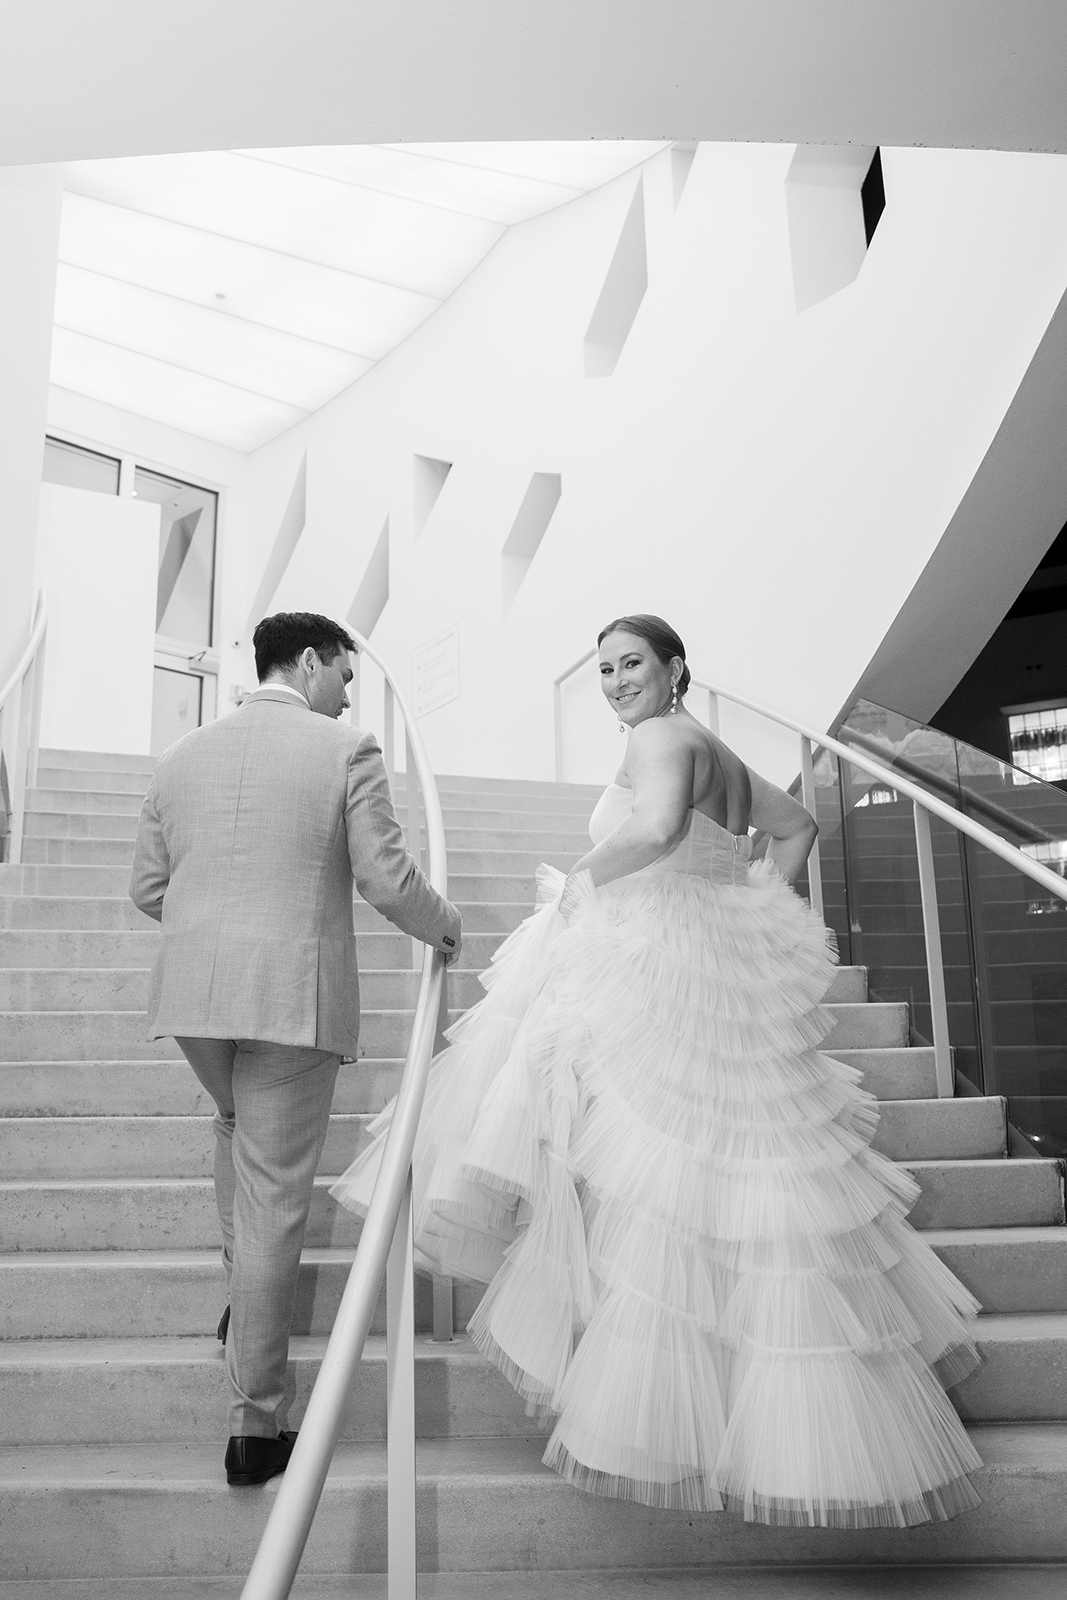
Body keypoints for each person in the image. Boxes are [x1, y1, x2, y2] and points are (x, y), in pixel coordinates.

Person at [332, 613, 982, 1526]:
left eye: (630, 663)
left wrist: (579, 880)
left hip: (653, 958)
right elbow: (794, 828)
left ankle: (668, 1414)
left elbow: (656, 826)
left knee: (652, 1166)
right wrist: (742, 902)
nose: (614, 682)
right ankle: (770, 1417)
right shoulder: (712, 744)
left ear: (675, 668)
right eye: (603, 669)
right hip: (710, 960)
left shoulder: (659, 738)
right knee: (736, 1170)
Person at [130, 611, 461, 1487]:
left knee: (236, 1134)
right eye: (345, 675)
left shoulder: (181, 756)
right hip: (288, 998)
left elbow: (147, 888)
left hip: (193, 996)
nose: (348, 695)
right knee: (275, 1196)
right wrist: (448, 929)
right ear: (310, 662)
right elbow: (387, 879)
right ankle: (254, 1424)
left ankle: (245, 1314)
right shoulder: (345, 750)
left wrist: (212, 928)